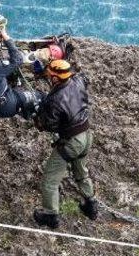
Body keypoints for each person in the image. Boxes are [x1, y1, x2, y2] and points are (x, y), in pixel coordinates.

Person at [32, 60, 98, 229]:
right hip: (86, 136)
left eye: (50, 75)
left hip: (71, 142)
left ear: (55, 78)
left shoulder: (54, 99)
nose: (48, 76)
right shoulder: (78, 81)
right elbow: (84, 76)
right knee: (81, 172)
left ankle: (50, 215)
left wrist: (37, 117)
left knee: (50, 180)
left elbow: (48, 126)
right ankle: (91, 205)